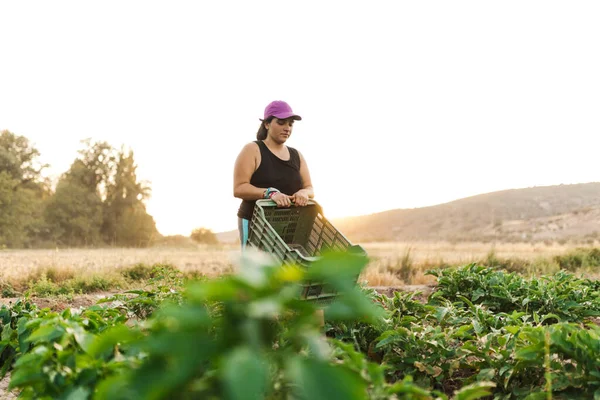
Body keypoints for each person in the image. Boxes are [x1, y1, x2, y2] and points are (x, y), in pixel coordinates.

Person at [233, 100, 315, 248]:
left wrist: (303, 192)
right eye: (281, 122)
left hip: (289, 225)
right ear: (267, 124)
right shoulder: (253, 150)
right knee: (256, 269)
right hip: (255, 223)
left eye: (290, 124)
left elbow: (310, 188)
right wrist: (270, 193)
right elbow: (239, 188)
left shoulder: (297, 155)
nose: (287, 128)